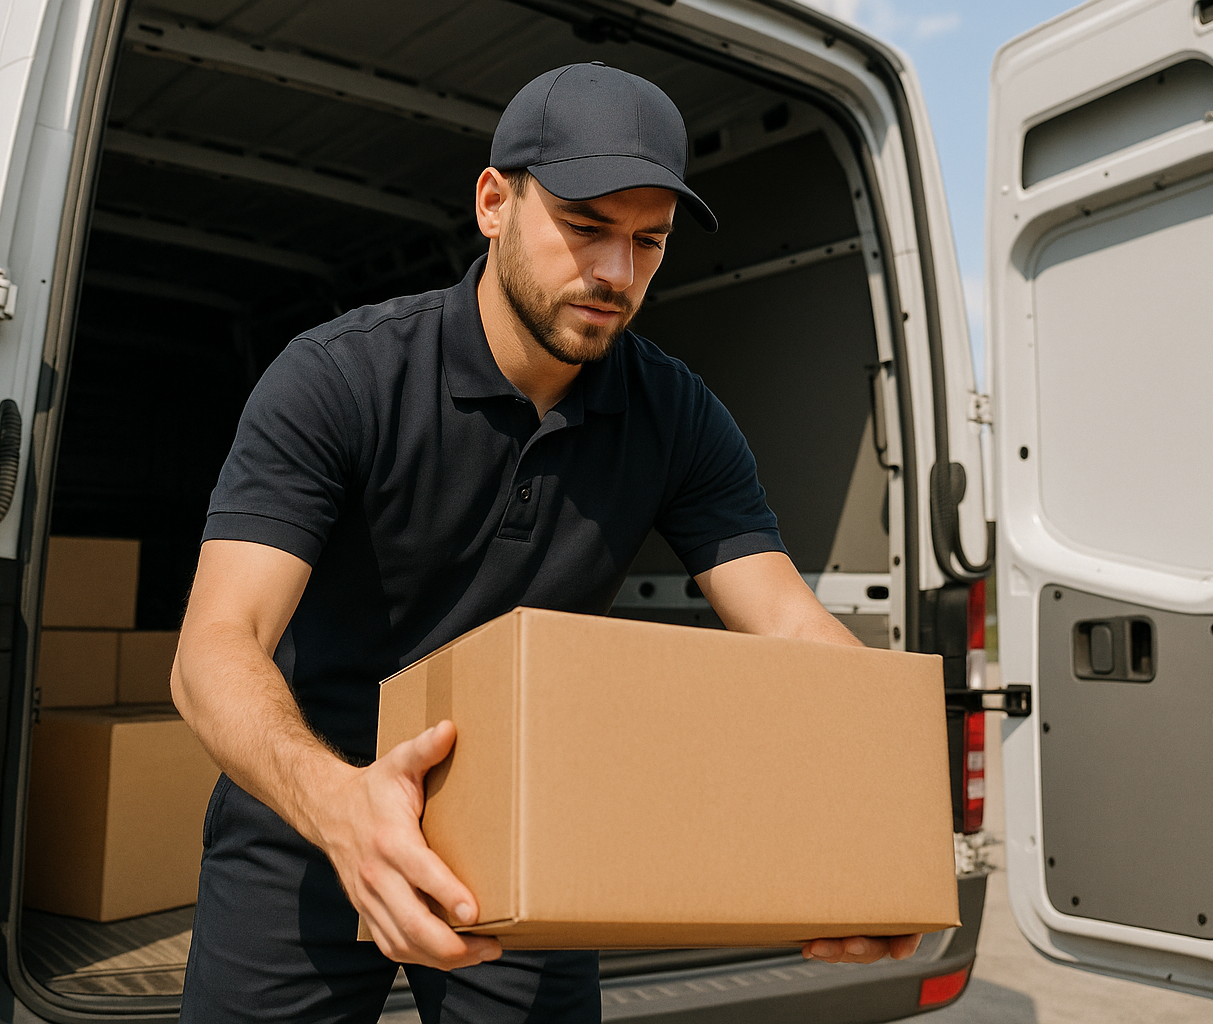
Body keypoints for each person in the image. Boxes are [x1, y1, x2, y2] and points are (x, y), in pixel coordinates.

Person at [172, 62, 921, 1024]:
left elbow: (788, 623)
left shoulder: (677, 415)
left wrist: (873, 833)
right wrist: (341, 809)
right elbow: (212, 651)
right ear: (494, 202)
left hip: (529, 822)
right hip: (310, 808)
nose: (616, 272)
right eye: (585, 227)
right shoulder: (339, 378)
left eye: (648, 242)